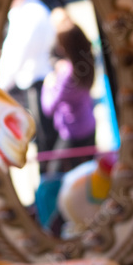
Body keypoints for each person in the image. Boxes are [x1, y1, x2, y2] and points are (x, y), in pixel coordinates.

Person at [0, 0, 56, 168]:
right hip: (38, 84)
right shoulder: (35, 9)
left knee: (45, 144)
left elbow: (15, 55)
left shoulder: (28, 14)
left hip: (35, 87)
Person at [41, 10, 96, 174]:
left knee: (55, 173)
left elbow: (49, 108)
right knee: (88, 173)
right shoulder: (87, 63)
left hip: (74, 134)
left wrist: (48, 83)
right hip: (89, 125)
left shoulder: (67, 76)